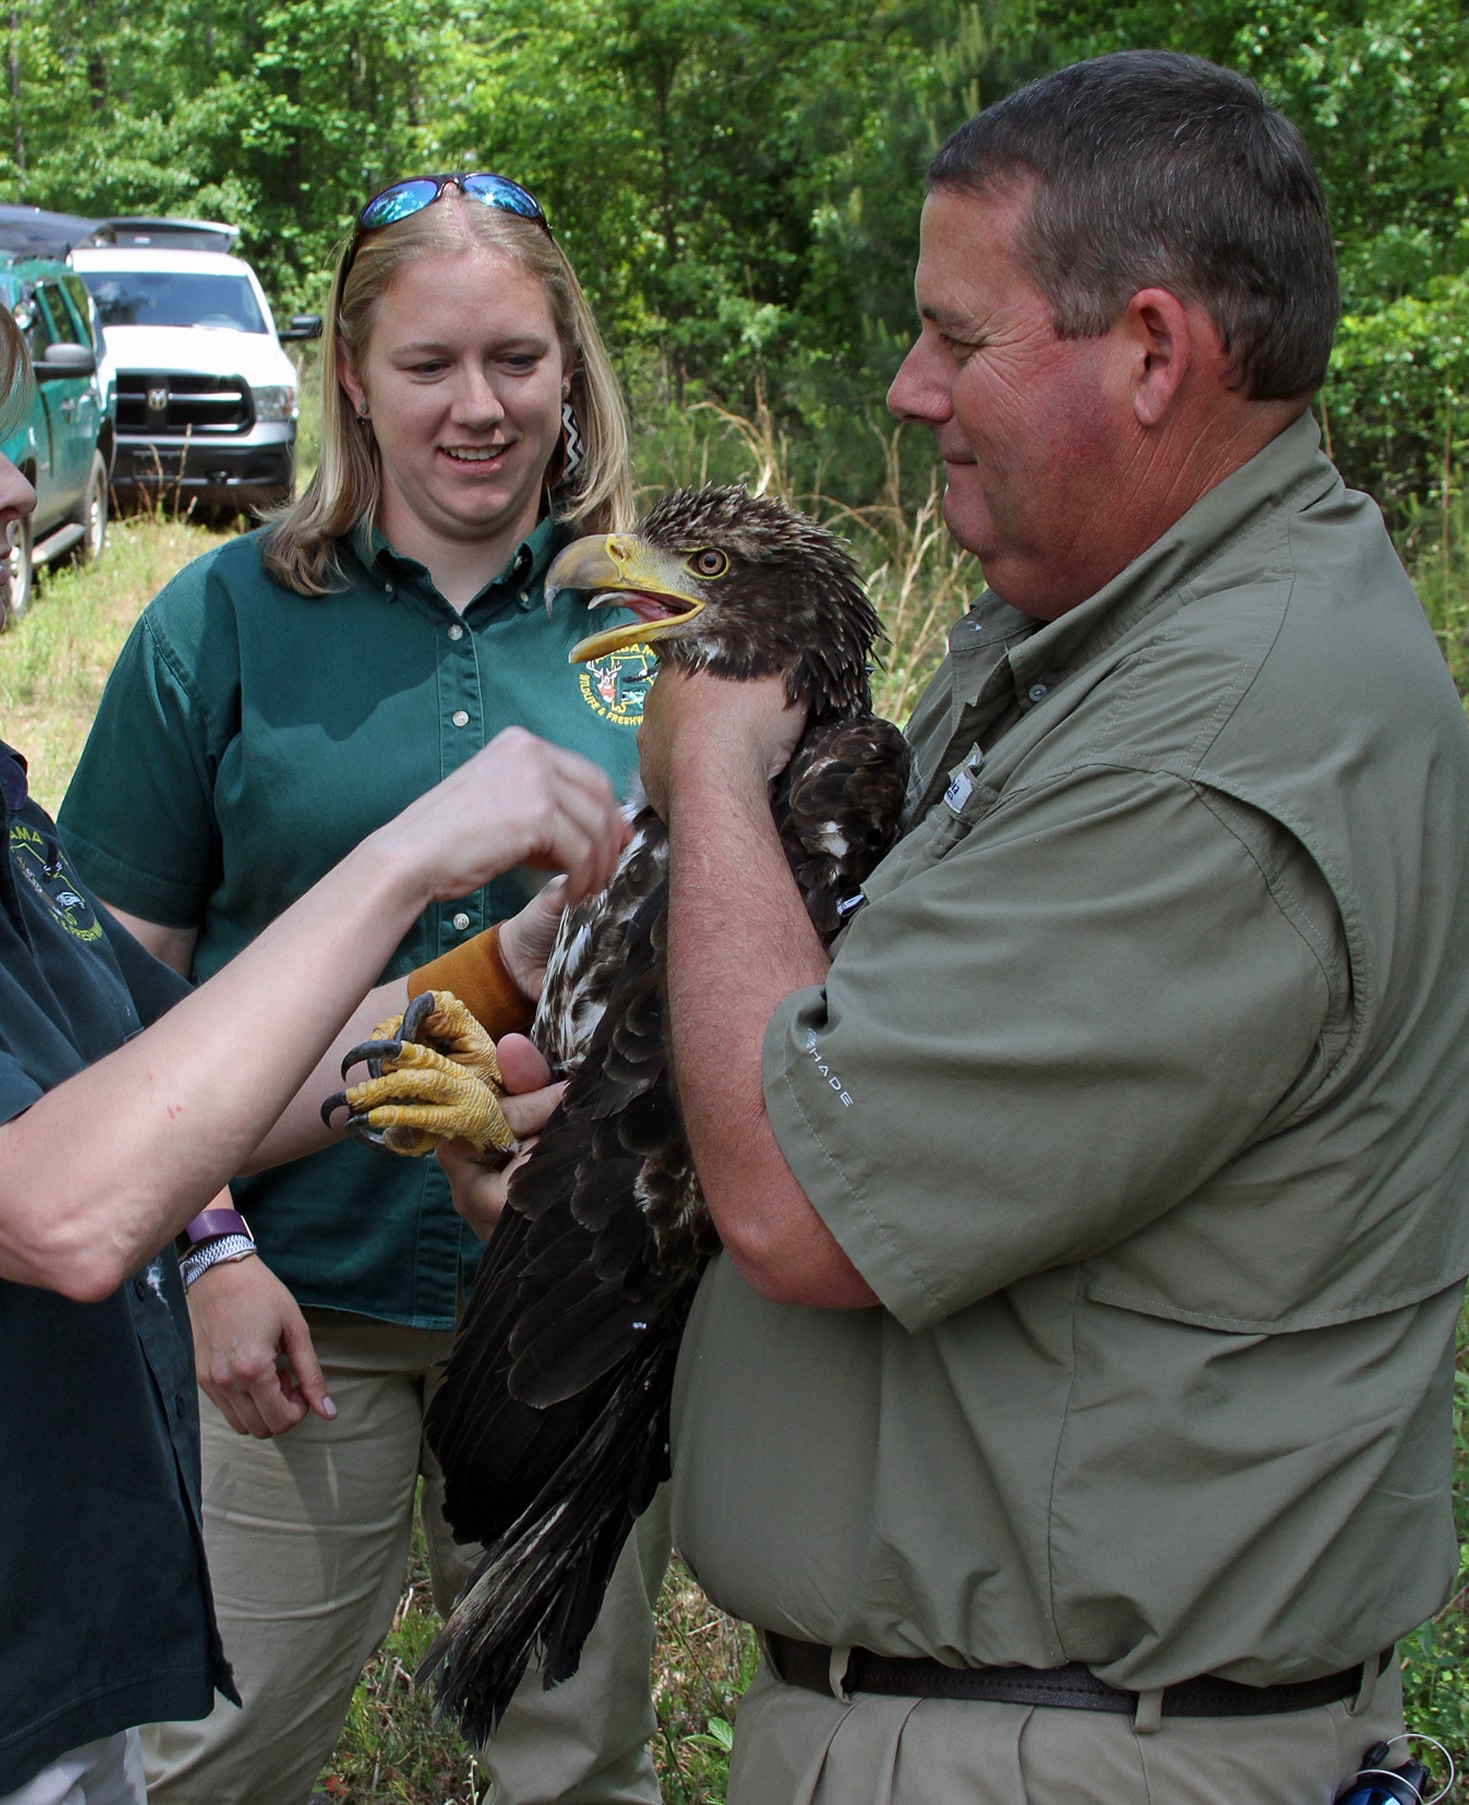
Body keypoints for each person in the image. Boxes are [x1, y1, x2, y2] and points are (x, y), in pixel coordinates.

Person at [458, 51, 1469, 1805]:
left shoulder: (1216, 741)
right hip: (1002, 1721)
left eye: (958, 336)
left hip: (1055, 1746)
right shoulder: (1098, 632)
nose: (910, 388)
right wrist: (612, 1168)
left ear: (1152, 353)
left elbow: (803, 1190)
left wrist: (712, 767)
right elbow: (864, 1054)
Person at [0, 194, 629, 1805]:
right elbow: (66, 1206)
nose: (11, 485)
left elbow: (195, 1088)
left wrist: (506, 959)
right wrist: (405, 853)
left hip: (34, 1681)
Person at [54, 174, 668, 1805]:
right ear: (348, 374)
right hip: (287, 1307)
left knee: (576, 1760)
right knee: (214, 1754)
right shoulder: (220, 622)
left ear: (570, 367)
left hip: (565, 1307)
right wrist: (208, 1245)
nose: (480, 407)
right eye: (429, 364)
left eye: (517, 360)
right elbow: (101, 1001)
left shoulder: (657, 625)